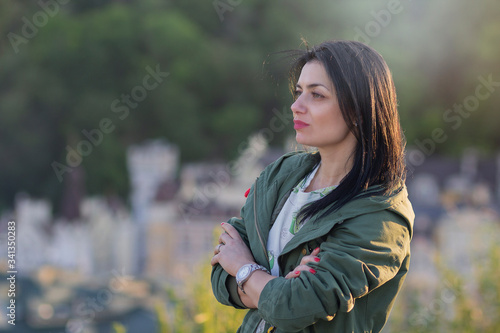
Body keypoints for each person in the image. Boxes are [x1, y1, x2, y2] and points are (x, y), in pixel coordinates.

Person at [210, 40, 414, 333]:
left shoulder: (380, 216)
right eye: (298, 92)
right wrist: (272, 288)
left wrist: (244, 268)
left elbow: (293, 307)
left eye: (317, 95)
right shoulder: (282, 174)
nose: (296, 106)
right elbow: (220, 271)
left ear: (359, 110)